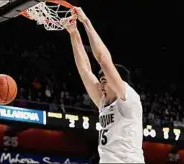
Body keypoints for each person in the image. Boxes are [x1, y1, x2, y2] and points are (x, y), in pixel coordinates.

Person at [61, 7, 145, 163]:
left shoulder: (129, 99)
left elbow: (104, 60)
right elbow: (85, 71)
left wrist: (86, 22)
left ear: (118, 81)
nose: (100, 86)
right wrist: (73, 33)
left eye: (105, 81)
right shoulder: (104, 102)